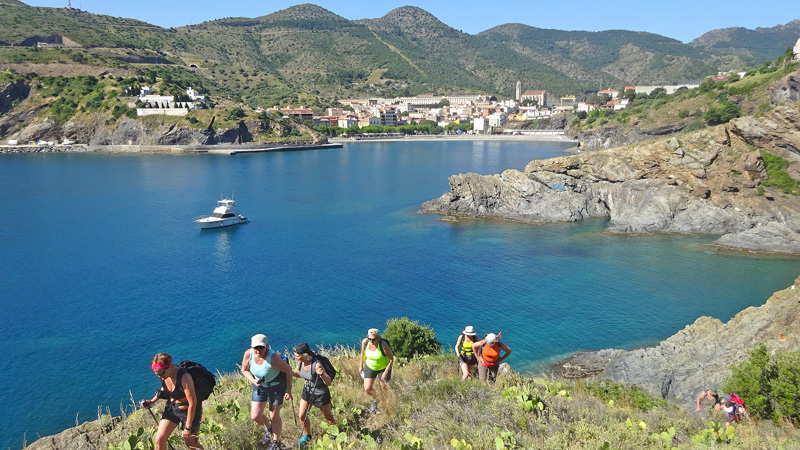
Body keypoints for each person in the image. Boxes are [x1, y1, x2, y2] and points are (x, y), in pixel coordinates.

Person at [141, 353, 205, 450]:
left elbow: (193, 403)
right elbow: (164, 388)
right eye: (157, 374)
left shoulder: (184, 377)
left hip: (189, 412)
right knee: (159, 440)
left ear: (170, 367)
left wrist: (188, 427)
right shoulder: (164, 376)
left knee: (191, 444)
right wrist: (152, 401)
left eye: (161, 373)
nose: (159, 376)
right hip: (172, 409)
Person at [241, 334, 293, 450]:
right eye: (256, 347)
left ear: (267, 346)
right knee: (255, 416)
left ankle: (276, 441)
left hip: (276, 387)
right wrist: (253, 380)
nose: (258, 350)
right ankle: (269, 428)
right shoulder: (248, 354)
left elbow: (289, 370)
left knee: (274, 416)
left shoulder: (273, 358)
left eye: (261, 347)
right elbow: (244, 370)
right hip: (259, 386)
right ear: (252, 347)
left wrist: (288, 389)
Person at [292, 342, 335, 446]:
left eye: (297, 356)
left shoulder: (317, 365)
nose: (296, 358)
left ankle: (334, 433)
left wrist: (322, 374)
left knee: (327, 416)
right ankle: (307, 436)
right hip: (307, 391)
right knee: (302, 416)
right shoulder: (301, 363)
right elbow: (301, 374)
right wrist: (290, 372)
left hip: (320, 393)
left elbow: (328, 382)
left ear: (305, 355)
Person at [359, 328, 394, 404]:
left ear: (378, 338)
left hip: (383, 367)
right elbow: (362, 354)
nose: (371, 341)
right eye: (369, 339)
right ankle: (377, 400)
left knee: (383, 387)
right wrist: (361, 365)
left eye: (373, 339)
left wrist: (385, 373)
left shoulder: (383, 345)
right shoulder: (365, 342)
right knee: (367, 388)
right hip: (370, 366)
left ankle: (384, 403)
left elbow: (391, 359)